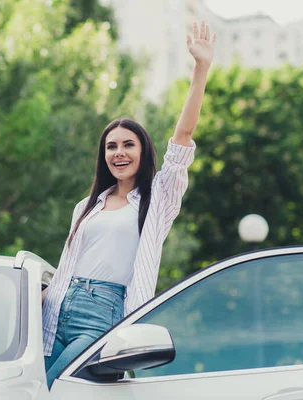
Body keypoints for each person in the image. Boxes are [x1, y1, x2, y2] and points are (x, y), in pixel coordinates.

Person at [41, 21, 217, 388]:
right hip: (58, 309)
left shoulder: (156, 201)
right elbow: (65, 270)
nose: (118, 152)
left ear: (143, 151)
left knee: (58, 388)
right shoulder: (86, 207)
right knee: (32, 387)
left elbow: (183, 138)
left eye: (127, 145)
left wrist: (201, 69)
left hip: (104, 316)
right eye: (111, 146)